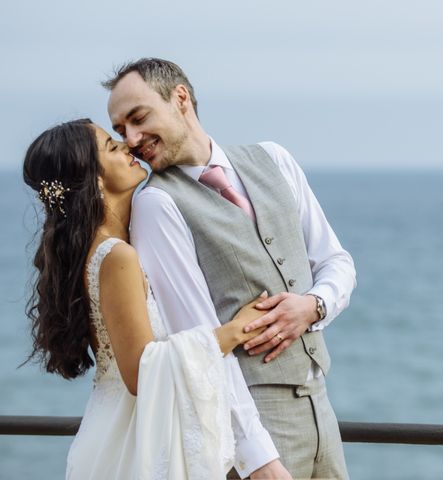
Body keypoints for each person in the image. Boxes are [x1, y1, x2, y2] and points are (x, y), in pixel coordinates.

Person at [103, 58, 356, 479]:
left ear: (180, 97)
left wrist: (314, 305)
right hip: (251, 423)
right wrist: (258, 459)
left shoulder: (274, 158)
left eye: (138, 118)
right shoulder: (156, 204)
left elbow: (336, 261)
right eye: (119, 130)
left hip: (321, 407)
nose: (131, 139)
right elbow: (198, 339)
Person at [22, 119, 276, 479]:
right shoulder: (116, 256)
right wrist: (233, 332)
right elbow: (141, 371)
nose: (127, 146)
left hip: (114, 427)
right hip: (132, 444)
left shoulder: (98, 251)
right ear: (94, 179)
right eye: (112, 147)